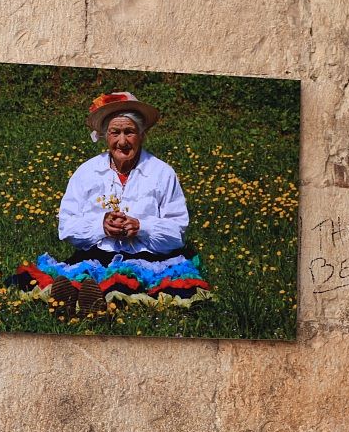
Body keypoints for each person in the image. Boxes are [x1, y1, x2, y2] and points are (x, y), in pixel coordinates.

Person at [11, 92, 211, 316]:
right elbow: (67, 226)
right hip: (97, 255)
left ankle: (92, 304)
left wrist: (141, 227)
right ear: (105, 136)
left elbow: (178, 232)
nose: (122, 141)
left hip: (149, 258)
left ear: (142, 135)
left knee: (133, 286)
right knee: (78, 278)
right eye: (115, 132)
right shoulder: (87, 172)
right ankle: (76, 300)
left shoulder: (162, 173)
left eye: (130, 132)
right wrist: (101, 226)